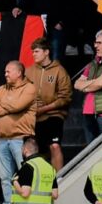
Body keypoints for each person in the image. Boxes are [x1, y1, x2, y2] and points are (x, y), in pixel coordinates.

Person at [0, 60, 35, 204]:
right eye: (5, 71)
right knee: (5, 178)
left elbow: (18, 106)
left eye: (8, 71)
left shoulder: (30, 88)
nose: (5, 74)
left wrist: (4, 103)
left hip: (21, 139)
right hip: (2, 140)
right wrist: (11, 105)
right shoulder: (1, 89)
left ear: (19, 73)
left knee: (25, 175)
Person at [26, 38, 72, 170]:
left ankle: (59, 179)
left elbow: (66, 97)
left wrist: (45, 108)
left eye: (36, 51)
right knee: (37, 150)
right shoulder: (29, 71)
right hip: (35, 116)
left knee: (55, 146)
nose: (33, 54)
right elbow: (23, 93)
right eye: (32, 52)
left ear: (46, 52)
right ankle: (42, 178)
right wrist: (32, 105)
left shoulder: (60, 71)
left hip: (54, 115)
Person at [9, 136, 57, 204]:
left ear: (25, 150)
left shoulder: (28, 167)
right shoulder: (49, 167)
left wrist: (15, 183)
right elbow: (55, 194)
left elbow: (25, 193)